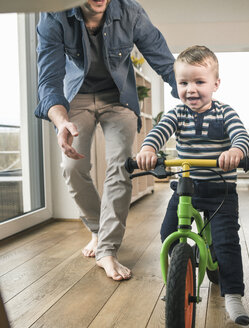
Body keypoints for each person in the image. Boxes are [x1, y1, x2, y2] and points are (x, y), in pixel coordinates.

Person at [34, 0, 178, 281]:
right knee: (72, 167)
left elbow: (164, 60)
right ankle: (98, 230)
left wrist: (191, 91)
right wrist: (61, 121)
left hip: (120, 98)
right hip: (76, 97)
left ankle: (107, 250)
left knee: (120, 167)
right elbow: (49, 80)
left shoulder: (130, 12)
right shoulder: (54, 14)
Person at [136, 45, 249, 325]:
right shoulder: (177, 114)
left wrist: (236, 152)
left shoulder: (225, 113)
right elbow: (157, 133)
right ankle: (176, 282)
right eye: (184, 82)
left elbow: (241, 136)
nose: (191, 89)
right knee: (168, 232)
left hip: (220, 191)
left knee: (226, 243)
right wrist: (149, 149)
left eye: (199, 82)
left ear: (215, 84)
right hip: (186, 188)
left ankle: (233, 295)